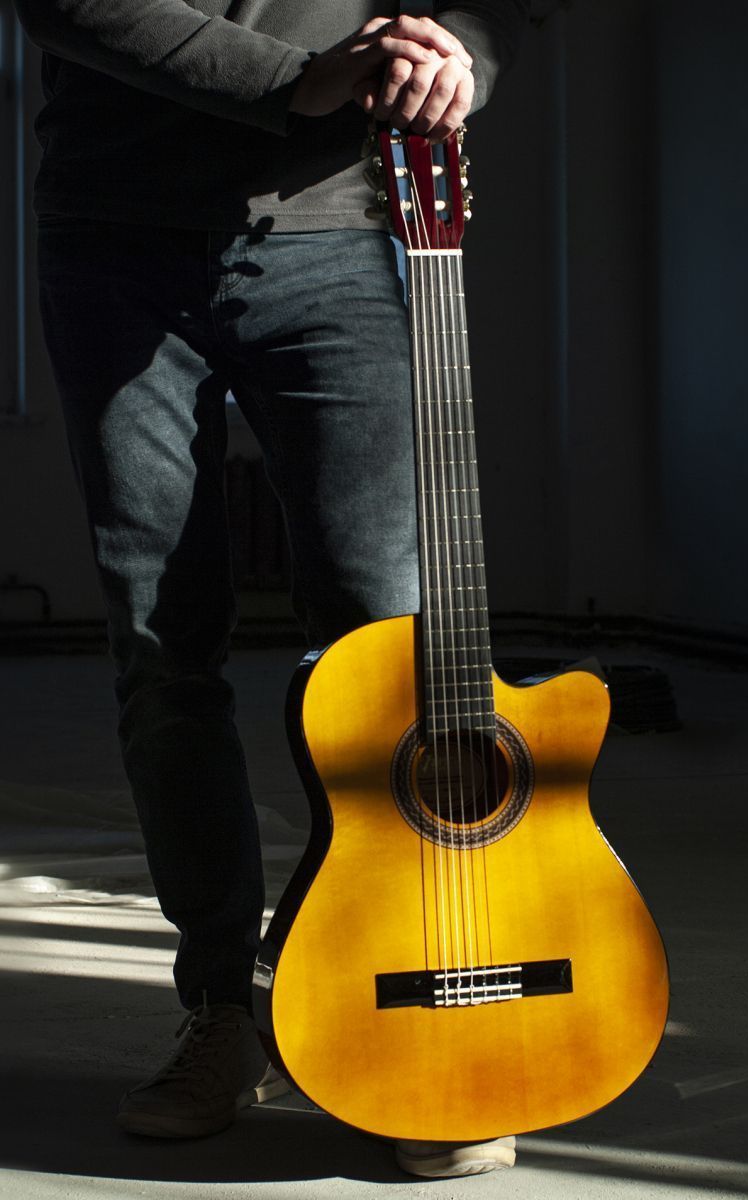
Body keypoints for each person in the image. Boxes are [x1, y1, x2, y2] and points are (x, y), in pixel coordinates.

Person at [14, 0, 527, 1180]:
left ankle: (384, 998)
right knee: (164, 649)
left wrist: (458, 59)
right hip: (115, 238)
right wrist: (299, 80)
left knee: (396, 656)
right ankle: (221, 1012)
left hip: (340, 237)